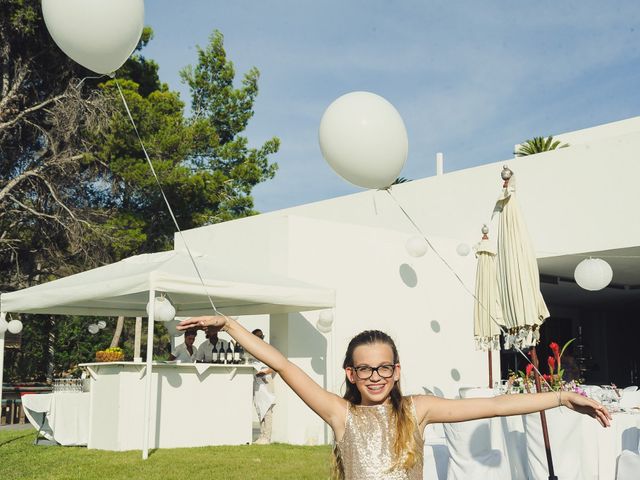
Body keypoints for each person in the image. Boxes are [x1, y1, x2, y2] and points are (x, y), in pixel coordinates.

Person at [178, 316, 611, 480]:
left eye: (384, 367)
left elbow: (496, 405)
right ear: (351, 373)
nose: (375, 376)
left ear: (396, 370)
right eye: (365, 368)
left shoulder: (416, 409)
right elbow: (287, 368)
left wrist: (560, 399)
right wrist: (231, 325)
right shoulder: (340, 413)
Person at [251, 328, 276, 444]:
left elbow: (275, 366)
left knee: (267, 410)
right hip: (256, 382)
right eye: (257, 336)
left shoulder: (268, 350)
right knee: (259, 408)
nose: (260, 338)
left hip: (266, 380)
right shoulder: (251, 350)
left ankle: (267, 437)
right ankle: (261, 435)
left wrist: (264, 373)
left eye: (261, 336)